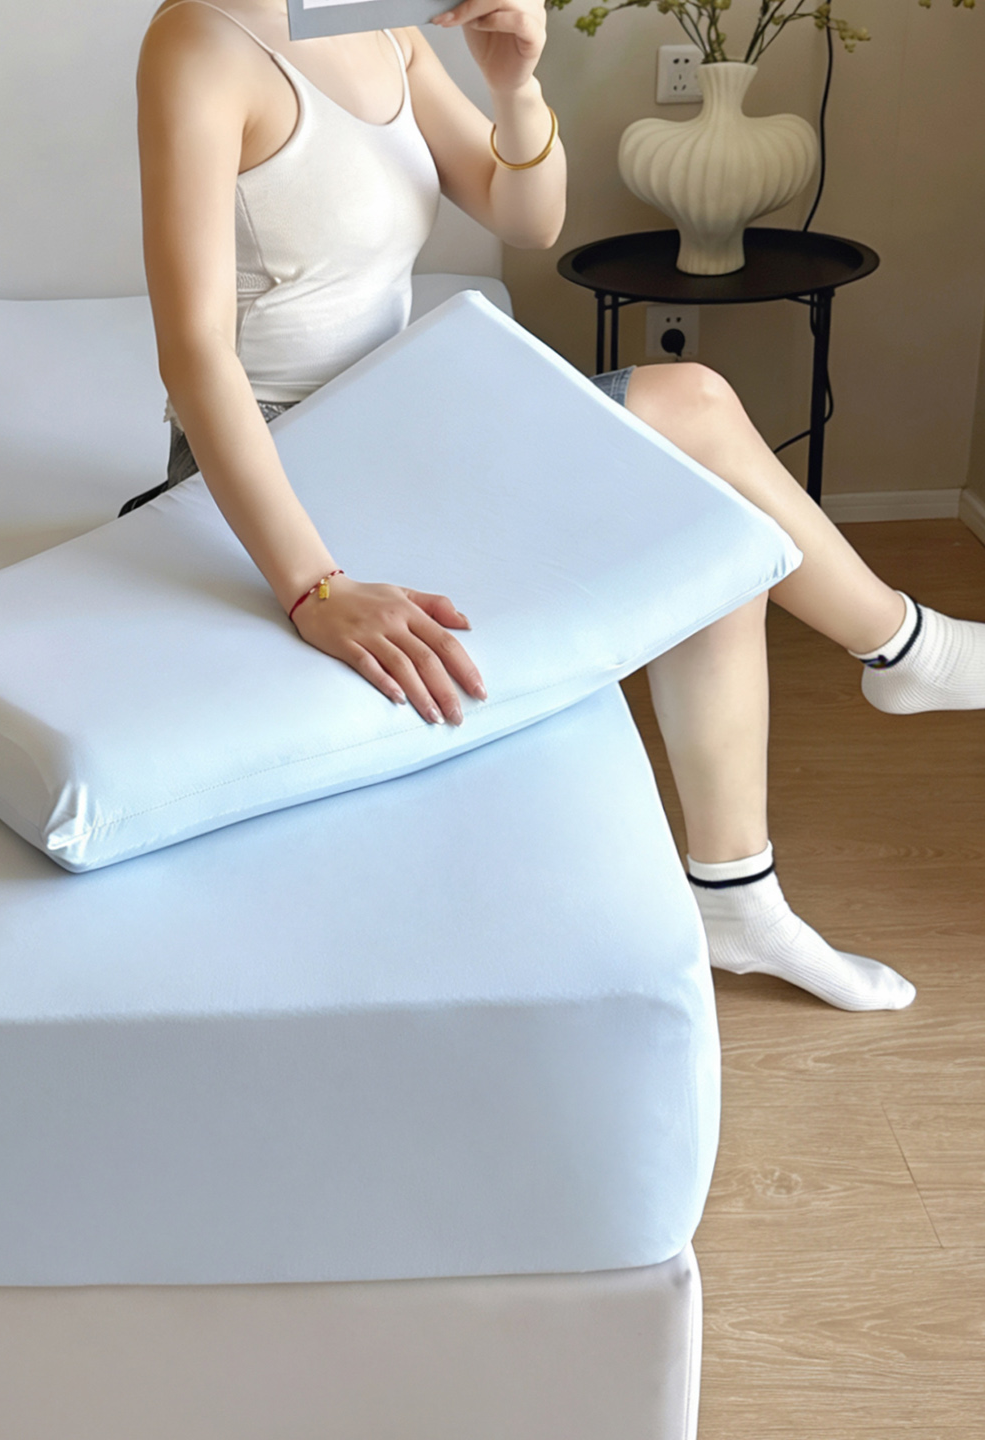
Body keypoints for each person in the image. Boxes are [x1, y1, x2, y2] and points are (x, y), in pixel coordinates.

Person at [134, 0, 985, 1011]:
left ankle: (738, 895)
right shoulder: (198, 43)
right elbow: (195, 357)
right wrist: (312, 586)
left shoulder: (383, 29)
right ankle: (904, 652)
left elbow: (526, 218)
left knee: (698, 501)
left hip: (396, 420)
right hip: (287, 452)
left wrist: (516, 85)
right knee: (692, 406)